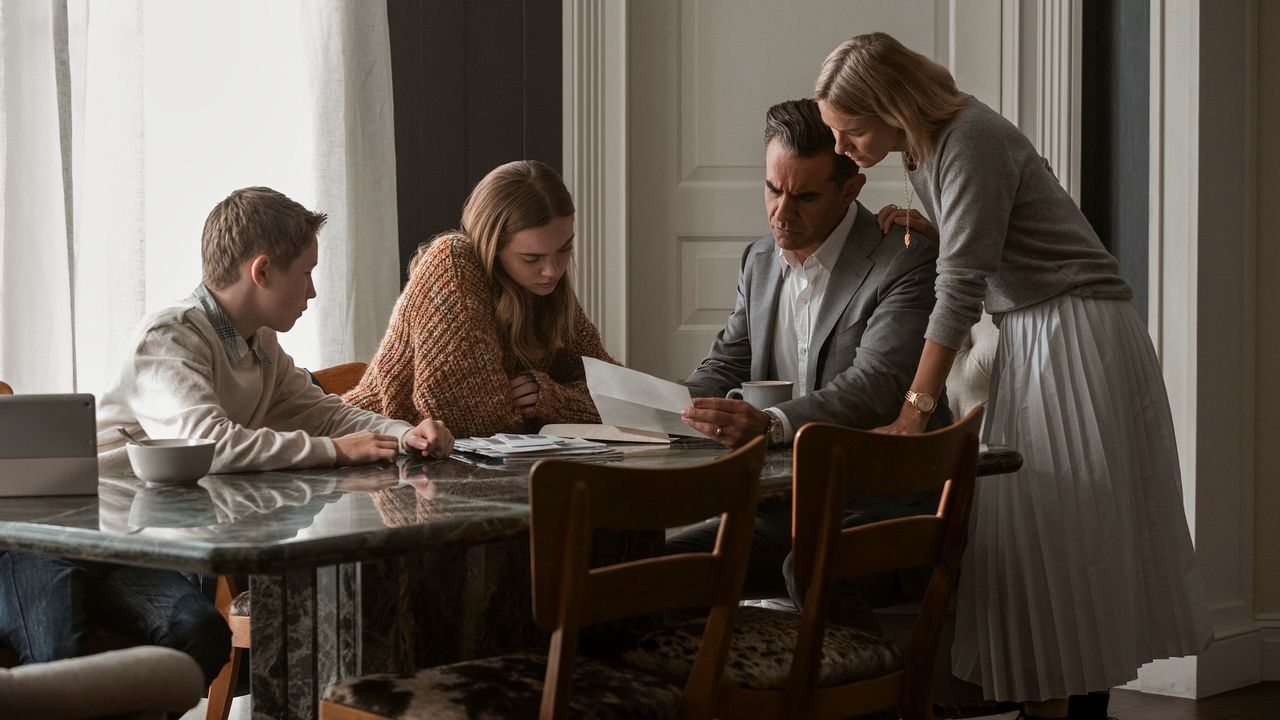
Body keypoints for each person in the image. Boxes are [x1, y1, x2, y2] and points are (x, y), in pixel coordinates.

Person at [813, 32, 1211, 719]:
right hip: (1037, 328)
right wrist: (936, 230)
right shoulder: (926, 148)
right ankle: (1054, 706)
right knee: (1046, 550)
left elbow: (962, 286)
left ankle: (1070, 709)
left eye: (851, 131)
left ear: (892, 105)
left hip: (1071, 330)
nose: (844, 149)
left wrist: (916, 407)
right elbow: (996, 237)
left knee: (1066, 542)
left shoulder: (969, 139)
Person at [0, 187, 454, 688]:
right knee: (59, 654)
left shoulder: (260, 345)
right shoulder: (169, 339)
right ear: (261, 272)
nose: (313, 291)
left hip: (123, 551)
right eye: (306, 272)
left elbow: (324, 413)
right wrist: (333, 451)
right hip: (48, 542)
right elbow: (206, 444)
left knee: (200, 632)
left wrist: (402, 433)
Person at [669, 99, 947, 631]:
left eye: (804, 196)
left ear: (851, 190)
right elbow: (724, 364)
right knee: (663, 570)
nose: (781, 212)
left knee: (814, 567)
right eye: (773, 189)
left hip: (881, 503)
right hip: (784, 505)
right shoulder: (758, 263)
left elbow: (875, 386)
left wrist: (772, 424)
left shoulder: (903, 260)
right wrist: (664, 406)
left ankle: (876, 705)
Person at [344, 160, 614, 438]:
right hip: (372, 449)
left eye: (564, 249)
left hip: (445, 466)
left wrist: (551, 399)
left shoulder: (545, 290)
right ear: (493, 245)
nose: (552, 270)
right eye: (531, 258)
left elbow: (623, 399)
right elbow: (470, 419)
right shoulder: (452, 263)